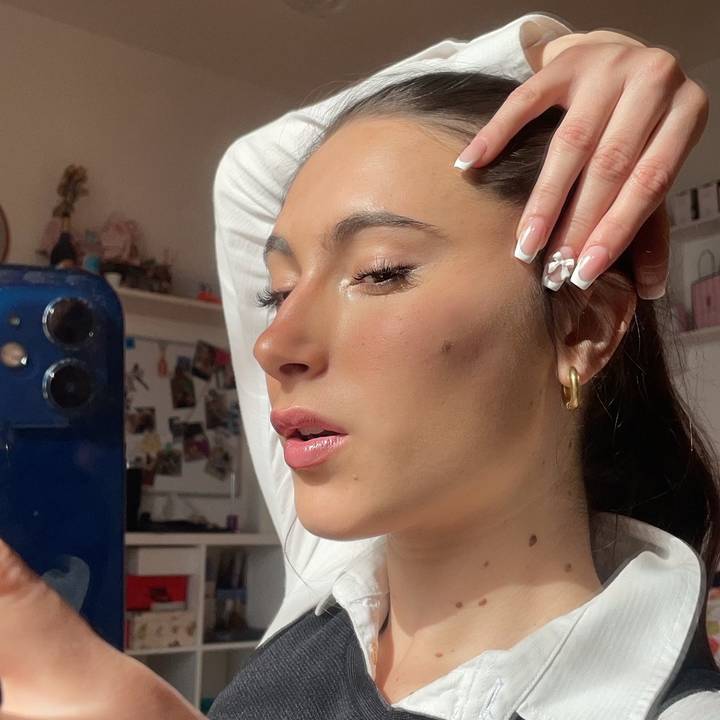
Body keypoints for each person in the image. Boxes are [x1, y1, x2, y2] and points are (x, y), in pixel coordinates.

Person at [0, 13, 714, 720]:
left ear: (583, 328)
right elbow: (251, 169)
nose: (273, 344)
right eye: (276, 292)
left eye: (379, 272)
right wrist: (545, 57)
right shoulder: (337, 573)